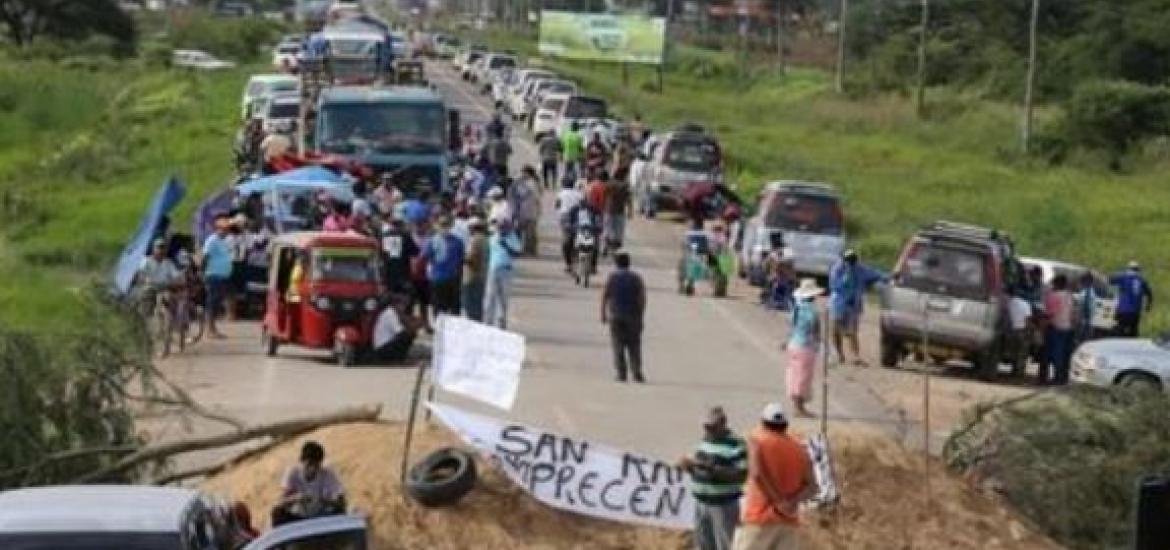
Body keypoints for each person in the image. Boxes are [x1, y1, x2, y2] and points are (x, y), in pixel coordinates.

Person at [731, 403, 815, 550]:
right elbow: (812, 487)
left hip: (759, 518)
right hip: (788, 521)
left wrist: (778, 500)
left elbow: (756, 473)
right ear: (785, 425)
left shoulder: (756, 441)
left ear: (763, 422)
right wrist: (790, 502)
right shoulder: (799, 449)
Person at [679, 406, 748, 550]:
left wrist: (709, 468)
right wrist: (690, 468)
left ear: (723, 424)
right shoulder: (705, 442)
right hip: (701, 504)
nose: (708, 430)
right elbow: (700, 471)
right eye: (706, 427)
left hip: (723, 505)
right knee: (703, 544)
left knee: (725, 544)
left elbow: (740, 474)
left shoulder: (736, 445)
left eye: (711, 427)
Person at [827, 250, 886, 367]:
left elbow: (876, 274)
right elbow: (834, 286)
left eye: (852, 260)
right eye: (848, 260)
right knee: (835, 330)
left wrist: (889, 277)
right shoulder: (837, 269)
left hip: (853, 305)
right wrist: (846, 277)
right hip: (839, 303)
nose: (850, 263)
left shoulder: (861, 269)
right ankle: (839, 354)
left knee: (852, 331)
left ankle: (855, 356)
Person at [271, 441, 347, 527]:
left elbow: (341, 500)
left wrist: (324, 501)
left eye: (316, 465)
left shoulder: (326, 473)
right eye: (309, 464)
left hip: (320, 515)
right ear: (301, 461)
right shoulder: (293, 473)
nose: (312, 469)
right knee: (277, 512)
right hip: (298, 516)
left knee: (339, 510)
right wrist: (297, 498)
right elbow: (281, 501)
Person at [601, 252, 646, 383]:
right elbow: (642, 297)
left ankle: (621, 373)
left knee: (618, 345)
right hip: (633, 315)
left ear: (616, 263)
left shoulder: (612, 277)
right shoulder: (636, 278)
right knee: (634, 345)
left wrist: (603, 313)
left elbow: (605, 296)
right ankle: (637, 372)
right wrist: (641, 314)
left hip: (616, 315)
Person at [785, 279, 824, 418]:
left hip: (794, 344)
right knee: (803, 377)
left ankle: (797, 405)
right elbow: (815, 330)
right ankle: (799, 408)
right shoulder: (813, 311)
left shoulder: (797, 307)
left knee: (794, 375)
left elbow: (792, 326)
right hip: (806, 347)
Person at [422, 215, 466, 316]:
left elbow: (461, 260)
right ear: (438, 225)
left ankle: (452, 330)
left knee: (453, 310)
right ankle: (440, 330)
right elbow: (425, 257)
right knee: (440, 310)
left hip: (451, 280)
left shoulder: (457, 241)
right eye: (442, 224)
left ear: (451, 226)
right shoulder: (432, 241)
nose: (444, 227)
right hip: (439, 280)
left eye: (446, 224)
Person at [483, 220, 522, 328]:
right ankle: (488, 323)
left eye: (504, 228)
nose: (501, 230)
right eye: (500, 228)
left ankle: (502, 323)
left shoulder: (512, 237)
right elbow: (487, 253)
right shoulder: (493, 237)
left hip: (506, 271)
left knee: (503, 298)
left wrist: (506, 246)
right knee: (490, 297)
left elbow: (517, 253)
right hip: (493, 270)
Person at [201, 215, 234, 339]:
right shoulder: (212, 240)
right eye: (224, 229)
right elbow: (205, 257)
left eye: (227, 229)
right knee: (212, 302)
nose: (226, 231)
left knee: (216, 303)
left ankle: (213, 328)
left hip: (222, 276)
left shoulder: (223, 241)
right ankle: (209, 329)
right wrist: (202, 272)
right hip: (213, 275)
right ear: (218, 229)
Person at [1040, 274, 1075, 386]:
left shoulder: (1053, 296)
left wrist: (1042, 321)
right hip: (1067, 327)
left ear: (1058, 284)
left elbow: (1050, 313)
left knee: (1053, 353)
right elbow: (1072, 312)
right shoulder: (1069, 296)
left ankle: (1054, 377)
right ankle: (1061, 377)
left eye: (1054, 283)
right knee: (1063, 353)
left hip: (1055, 327)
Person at [135, 238, 181, 317]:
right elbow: (140, 274)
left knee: (171, 298)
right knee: (146, 295)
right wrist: (145, 280)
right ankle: (145, 317)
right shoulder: (146, 261)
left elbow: (176, 275)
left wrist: (176, 281)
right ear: (154, 249)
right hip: (151, 286)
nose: (161, 251)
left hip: (165, 287)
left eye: (163, 248)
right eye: (159, 248)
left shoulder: (168, 263)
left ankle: (172, 321)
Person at [372, 296, 424, 362]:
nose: (403, 308)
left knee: (409, 335)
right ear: (395, 304)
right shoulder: (390, 313)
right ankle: (398, 359)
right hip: (382, 349)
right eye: (402, 305)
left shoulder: (393, 313)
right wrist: (415, 326)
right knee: (407, 336)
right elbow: (400, 332)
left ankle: (400, 358)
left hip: (386, 345)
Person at [1110, 261, 1153, 337]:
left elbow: (1110, 280)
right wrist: (1148, 306)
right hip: (1135, 312)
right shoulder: (1142, 280)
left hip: (1123, 310)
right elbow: (1149, 294)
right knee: (1133, 331)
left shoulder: (1123, 277)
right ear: (1138, 270)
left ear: (1128, 268)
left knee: (1119, 330)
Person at [381, 217, 419, 297]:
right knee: (404, 296)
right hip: (403, 272)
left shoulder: (384, 236)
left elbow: (382, 253)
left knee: (390, 296)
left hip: (389, 272)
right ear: (401, 225)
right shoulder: (405, 235)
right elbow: (415, 251)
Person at [462, 218, 490, 322]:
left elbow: (471, 258)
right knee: (478, 305)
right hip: (482, 275)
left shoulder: (475, 240)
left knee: (469, 306)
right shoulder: (486, 239)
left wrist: (461, 258)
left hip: (472, 276)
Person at [510, 166, 541, 255]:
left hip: (530, 211)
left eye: (523, 172)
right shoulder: (520, 182)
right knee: (519, 231)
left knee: (530, 233)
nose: (521, 174)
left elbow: (533, 197)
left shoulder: (532, 184)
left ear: (528, 173)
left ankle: (530, 250)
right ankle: (519, 249)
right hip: (521, 211)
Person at [603, 172, 632, 254]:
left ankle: (605, 246)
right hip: (620, 211)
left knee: (607, 229)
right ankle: (616, 249)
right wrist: (630, 210)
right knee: (619, 232)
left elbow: (604, 196)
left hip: (608, 210)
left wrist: (602, 206)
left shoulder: (609, 184)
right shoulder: (625, 186)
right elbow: (628, 199)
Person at [1008, 291, 1033, 376]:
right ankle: (1019, 373)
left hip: (1011, 331)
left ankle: (1013, 370)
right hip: (1022, 330)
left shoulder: (1009, 303)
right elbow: (1028, 319)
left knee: (1013, 352)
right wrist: (1029, 331)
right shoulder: (1025, 304)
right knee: (1022, 353)